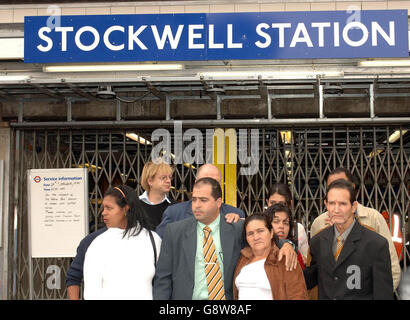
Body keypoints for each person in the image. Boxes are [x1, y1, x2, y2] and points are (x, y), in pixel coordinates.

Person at [153, 177, 298, 300]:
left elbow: (264, 238)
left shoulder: (236, 229)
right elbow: (163, 279)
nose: (197, 205)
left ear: (218, 202)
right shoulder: (175, 231)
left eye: (203, 200)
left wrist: (286, 245)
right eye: (194, 199)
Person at [310, 167, 401, 290]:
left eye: (342, 184)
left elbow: (392, 268)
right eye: (332, 186)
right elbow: (316, 272)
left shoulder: (373, 218)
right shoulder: (319, 224)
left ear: (352, 187)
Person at [83, 185, 161, 299]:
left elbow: (164, 284)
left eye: (109, 208)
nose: (103, 213)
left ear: (126, 208)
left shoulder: (153, 240)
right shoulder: (98, 245)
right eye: (103, 208)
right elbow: (91, 293)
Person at [156, 164, 245, 238]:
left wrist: (237, 225)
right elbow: (161, 246)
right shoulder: (174, 213)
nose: (208, 186)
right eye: (205, 181)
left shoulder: (236, 214)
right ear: (195, 183)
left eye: (214, 183)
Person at [233, 213, 308, 300]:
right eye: (250, 233)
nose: (256, 237)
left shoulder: (285, 259)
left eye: (260, 231)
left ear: (271, 233)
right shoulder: (243, 258)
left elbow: (298, 295)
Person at [266, 183, 309, 262]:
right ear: (267, 202)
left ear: (290, 204)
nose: (277, 206)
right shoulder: (260, 226)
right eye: (272, 203)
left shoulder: (297, 229)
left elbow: (306, 260)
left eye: (282, 203)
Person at [265, 203, 306, 269]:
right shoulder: (259, 249)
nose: (281, 226)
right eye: (276, 221)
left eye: (285, 223)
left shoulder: (294, 252)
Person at [139, 159, 175, 228]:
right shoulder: (134, 206)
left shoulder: (175, 207)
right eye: (163, 177)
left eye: (170, 177)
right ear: (150, 181)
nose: (168, 181)